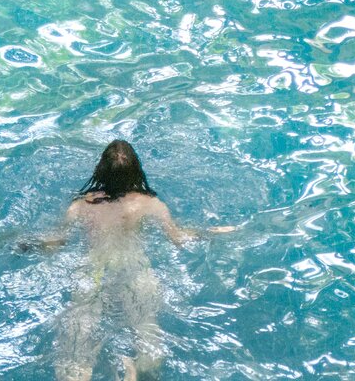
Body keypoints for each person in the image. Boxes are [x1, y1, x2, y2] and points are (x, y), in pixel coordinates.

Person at [24, 141, 231, 381]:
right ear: (137, 171)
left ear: (99, 171)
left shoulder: (80, 206)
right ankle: (133, 371)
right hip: (135, 272)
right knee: (148, 337)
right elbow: (178, 237)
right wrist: (212, 231)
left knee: (76, 344)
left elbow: (56, 242)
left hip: (94, 272)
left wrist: (25, 244)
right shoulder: (150, 204)